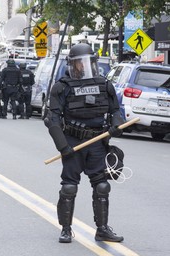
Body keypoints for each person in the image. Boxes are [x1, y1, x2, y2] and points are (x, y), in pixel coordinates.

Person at [44, 43, 125, 243]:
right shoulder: (61, 87)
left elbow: (116, 111)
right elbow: (52, 119)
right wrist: (63, 147)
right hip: (73, 141)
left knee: (102, 186)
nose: (83, 66)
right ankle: (65, 229)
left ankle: (102, 229)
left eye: (87, 62)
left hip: (97, 141)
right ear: (72, 64)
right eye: (80, 62)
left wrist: (116, 126)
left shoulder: (104, 84)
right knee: (69, 187)